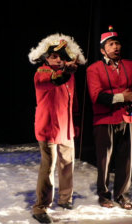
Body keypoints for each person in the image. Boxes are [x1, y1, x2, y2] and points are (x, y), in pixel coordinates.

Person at [28, 33, 86, 223]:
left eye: (61, 56)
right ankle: (40, 208)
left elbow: (74, 102)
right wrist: (67, 71)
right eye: (54, 56)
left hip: (66, 128)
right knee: (48, 167)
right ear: (46, 57)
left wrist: (75, 123)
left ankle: (65, 199)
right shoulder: (42, 73)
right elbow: (55, 80)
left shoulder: (68, 75)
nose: (58, 59)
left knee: (67, 165)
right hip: (48, 128)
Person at [86, 26, 132, 210]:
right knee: (104, 160)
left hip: (127, 118)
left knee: (126, 160)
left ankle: (122, 194)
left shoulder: (129, 65)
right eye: (111, 44)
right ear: (102, 49)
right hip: (104, 119)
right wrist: (124, 96)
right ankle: (104, 194)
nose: (116, 47)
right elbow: (97, 96)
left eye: (117, 43)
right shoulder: (94, 69)